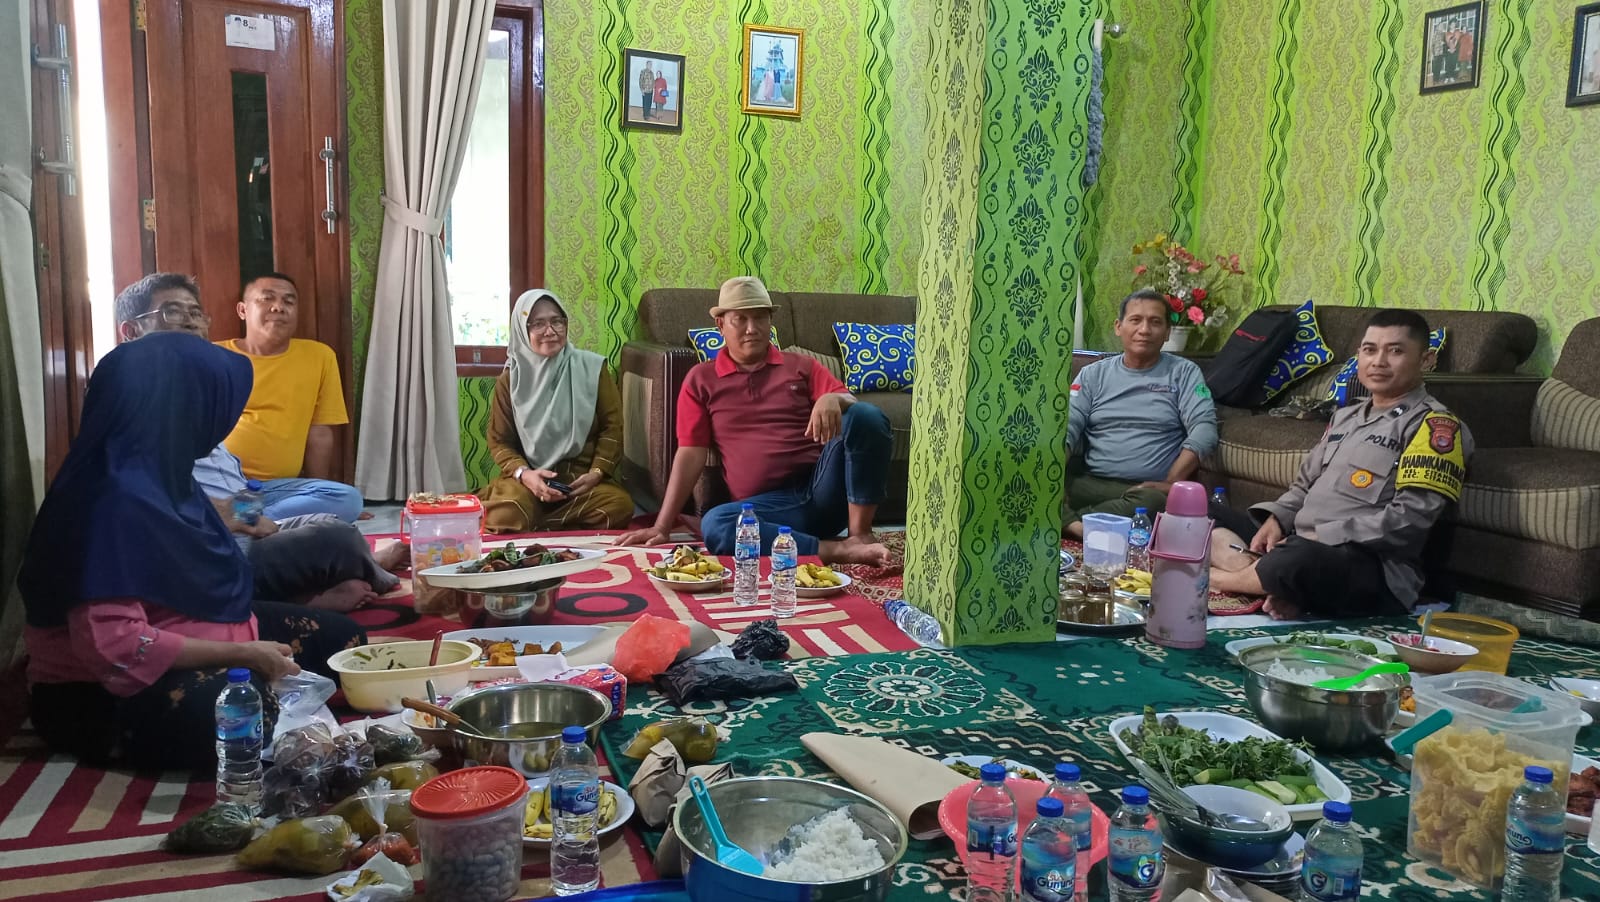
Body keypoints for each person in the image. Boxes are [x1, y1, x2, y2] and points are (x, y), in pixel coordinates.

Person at [18, 332, 366, 771]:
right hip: (102, 691)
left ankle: (261, 667)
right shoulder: (109, 501)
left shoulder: (160, 470)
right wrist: (242, 655)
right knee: (239, 715)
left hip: (209, 633)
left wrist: (247, 520)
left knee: (347, 646)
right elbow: (117, 644)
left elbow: (219, 525)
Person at [113, 273, 402, 610]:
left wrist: (247, 514)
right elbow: (150, 500)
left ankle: (327, 579)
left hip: (247, 504)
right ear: (131, 331)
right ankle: (321, 590)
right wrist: (232, 517)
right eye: (173, 312)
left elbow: (314, 434)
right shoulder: (133, 394)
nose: (190, 322)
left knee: (334, 521)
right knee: (335, 537)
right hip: (210, 541)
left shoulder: (197, 381)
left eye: (195, 313)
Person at [1209, 309, 1473, 621]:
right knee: (1194, 509)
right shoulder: (1345, 417)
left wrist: (1325, 536)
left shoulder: (1434, 426)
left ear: (1426, 360)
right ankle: (1266, 580)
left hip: (1368, 565)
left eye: (1395, 351)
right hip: (1300, 543)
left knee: (1296, 559)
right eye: (1370, 350)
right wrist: (1277, 520)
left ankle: (1219, 580)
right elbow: (1303, 487)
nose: (1378, 361)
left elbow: (1410, 520)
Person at [618, 277, 892, 565]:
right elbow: (690, 453)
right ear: (721, 325)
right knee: (717, 524)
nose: (752, 328)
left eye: (760, 317)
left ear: (770, 322)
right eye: (740, 319)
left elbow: (850, 401)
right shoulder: (701, 380)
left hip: (822, 489)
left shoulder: (800, 366)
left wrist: (833, 398)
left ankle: (860, 535)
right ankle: (838, 550)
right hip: (766, 509)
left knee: (865, 415)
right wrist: (662, 526)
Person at [1063, 289, 1218, 537]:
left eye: (1155, 322)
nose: (1144, 330)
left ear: (1167, 332)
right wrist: (1055, 474)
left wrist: (1171, 481)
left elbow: (1204, 428)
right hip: (1090, 482)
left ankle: (1067, 523)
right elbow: (1068, 425)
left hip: (1145, 490)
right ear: (1119, 327)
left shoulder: (1184, 372)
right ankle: (1083, 527)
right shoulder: (1093, 374)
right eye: (1135, 320)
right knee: (1035, 479)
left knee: (1155, 503)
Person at [477, 290, 633, 532]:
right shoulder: (510, 380)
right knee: (509, 511)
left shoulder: (592, 368)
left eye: (556, 321)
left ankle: (533, 523)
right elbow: (499, 441)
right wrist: (525, 474)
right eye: (538, 324)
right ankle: (540, 520)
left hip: (578, 483)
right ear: (522, 330)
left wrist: (597, 472)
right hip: (527, 484)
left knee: (619, 506)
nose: (550, 331)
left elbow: (612, 427)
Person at [217, 273, 356, 507]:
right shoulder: (215, 356)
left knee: (347, 499)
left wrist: (320, 493)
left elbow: (320, 433)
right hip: (222, 484)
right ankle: (241, 517)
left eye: (288, 301)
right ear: (242, 310)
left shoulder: (319, 356)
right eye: (267, 298)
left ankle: (238, 519)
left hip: (278, 489)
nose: (278, 307)